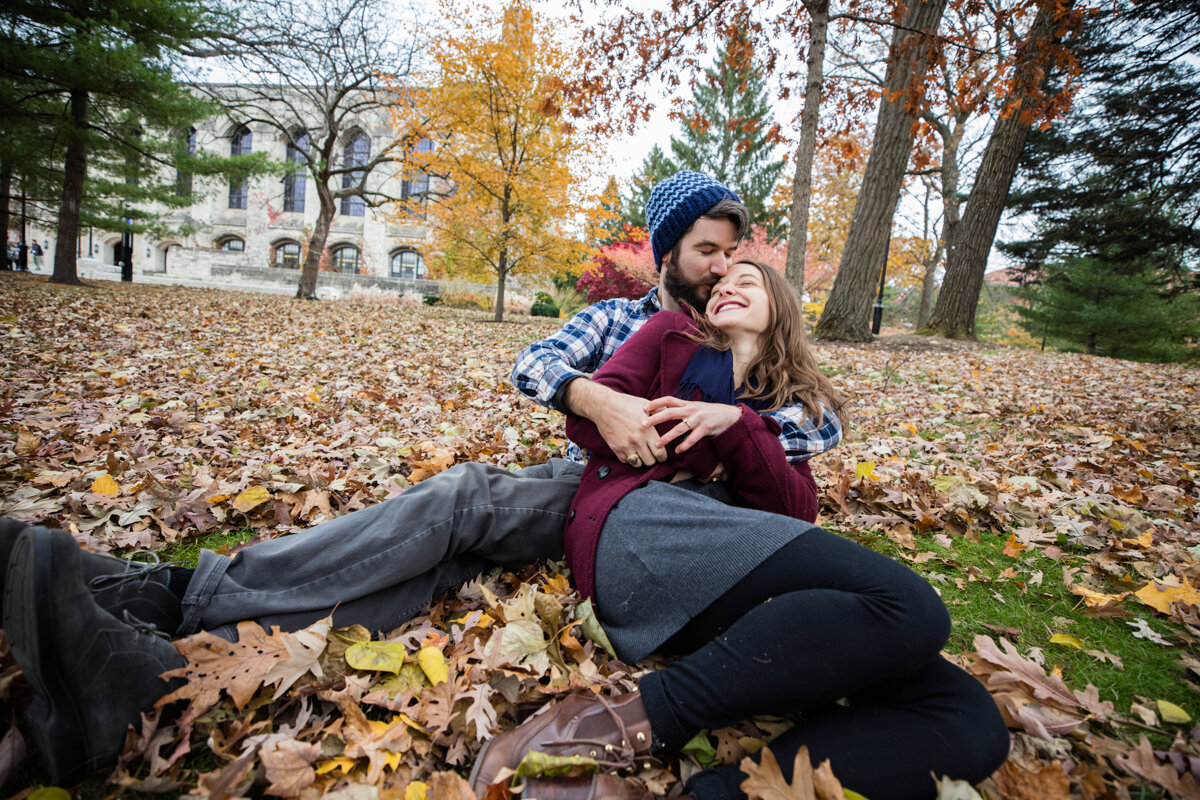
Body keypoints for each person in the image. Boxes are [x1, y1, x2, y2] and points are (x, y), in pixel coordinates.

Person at [1, 172, 844, 784]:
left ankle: (169, 594)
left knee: (465, 499)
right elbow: (539, 362)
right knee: (443, 562)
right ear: (669, 253)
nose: (720, 269)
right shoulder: (630, 320)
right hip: (592, 483)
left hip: (650, 515)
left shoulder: (745, 340)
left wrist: (738, 422)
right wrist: (597, 397)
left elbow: (813, 428)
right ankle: (149, 665)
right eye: (706, 253)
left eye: (735, 257)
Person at [467, 261, 1010, 800]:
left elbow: (792, 513)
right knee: (910, 606)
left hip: (736, 572)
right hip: (640, 528)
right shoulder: (670, 335)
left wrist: (740, 426)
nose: (727, 287)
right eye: (721, 286)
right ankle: (602, 725)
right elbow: (593, 419)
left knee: (969, 722)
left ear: (780, 307)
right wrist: (718, 448)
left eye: (746, 282)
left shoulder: (789, 406)